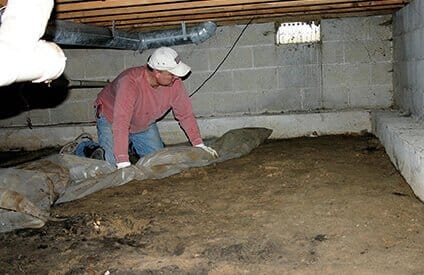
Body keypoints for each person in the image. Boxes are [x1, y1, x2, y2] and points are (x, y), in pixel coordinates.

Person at [91, 46, 218, 169]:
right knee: (110, 167)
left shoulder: (175, 83)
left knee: (159, 165)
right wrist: (123, 161)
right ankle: (86, 147)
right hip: (112, 120)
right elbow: (121, 122)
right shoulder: (129, 83)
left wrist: (199, 144)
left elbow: (185, 114)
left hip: (143, 123)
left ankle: (130, 146)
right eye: (172, 74)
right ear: (157, 72)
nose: (177, 77)